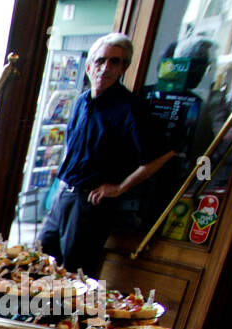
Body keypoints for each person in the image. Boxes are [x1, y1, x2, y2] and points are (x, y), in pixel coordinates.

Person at [39, 33, 174, 277]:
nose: (106, 68)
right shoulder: (82, 101)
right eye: (101, 61)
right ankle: (31, 315)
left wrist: (120, 187)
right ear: (89, 65)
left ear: (124, 67)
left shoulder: (131, 108)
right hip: (64, 195)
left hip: (90, 204)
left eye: (115, 62)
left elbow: (161, 155)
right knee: (41, 260)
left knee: (73, 276)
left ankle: (63, 317)